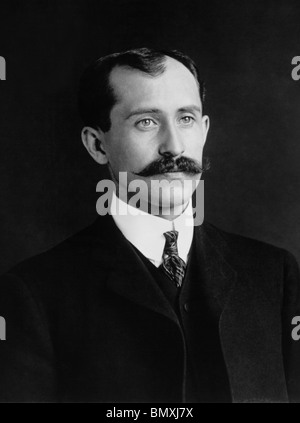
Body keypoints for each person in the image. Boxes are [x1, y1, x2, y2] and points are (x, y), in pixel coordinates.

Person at [0, 47, 300, 403]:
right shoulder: (33, 294)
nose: (173, 146)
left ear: (204, 130)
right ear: (97, 145)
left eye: (186, 119)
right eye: (147, 121)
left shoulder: (274, 273)